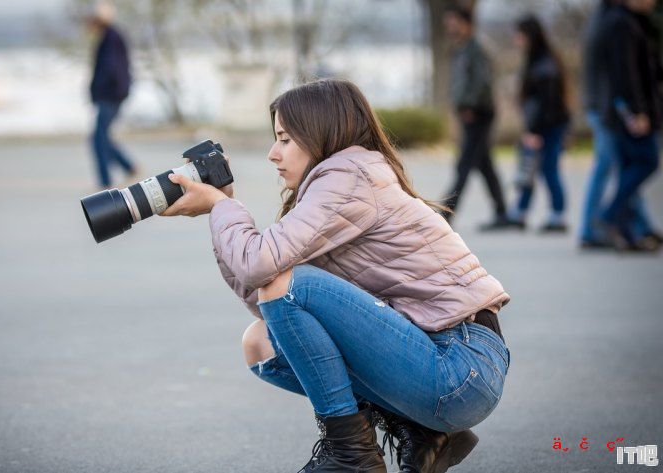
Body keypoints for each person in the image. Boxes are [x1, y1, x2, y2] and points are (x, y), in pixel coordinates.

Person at [162, 79, 511, 473]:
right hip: (438, 360)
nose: (273, 154)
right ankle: (418, 429)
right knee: (261, 343)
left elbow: (266, 271)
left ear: (320, 135)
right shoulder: (335, 185)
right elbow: (266, 297)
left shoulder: (348, 176)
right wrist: (220, 207)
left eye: (285, 139)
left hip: (460, 365)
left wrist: (223, 208)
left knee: (285, 285)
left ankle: (351, 455)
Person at [579, 0, 657, 248]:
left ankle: (632, 230)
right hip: (612, 109)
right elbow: (625, 72)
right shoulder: (618, 22)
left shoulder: (606, 18)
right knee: (637, 162)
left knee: (623, 168)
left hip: (607, 107)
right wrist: (636, 111)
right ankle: (601, 222)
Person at [441, 6, 510, 231]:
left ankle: (445, 213)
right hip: (470, 112)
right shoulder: (462, 48)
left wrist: (470, 105)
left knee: (465, 164)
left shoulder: (476, 48)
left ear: (466, 23)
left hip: (478, 113)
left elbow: (483, 82)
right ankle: (502, 212)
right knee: (484, 164)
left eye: (453, 21)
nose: (449, 26)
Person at [505, 16, 571, 232]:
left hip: (547, 126)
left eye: (519, 35)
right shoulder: (539, 60)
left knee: (547, 169)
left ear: (530, 36)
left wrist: (534, 131)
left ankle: (557, 216)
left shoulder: (545, 64)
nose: (516, 39)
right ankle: (520, 211)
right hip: (541, 125)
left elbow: (547, 104)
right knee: (529, 168)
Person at [86, 1, 137, 189]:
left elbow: (110, 69)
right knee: (101, 137)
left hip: (110, 95)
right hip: (113, 93)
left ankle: (105, 182)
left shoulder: (110, 38)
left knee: (98, 138)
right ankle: (129, 166)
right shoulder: (110, 36)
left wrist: (99, 89)